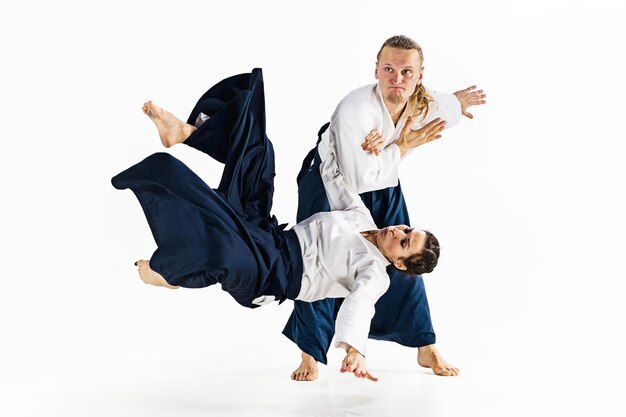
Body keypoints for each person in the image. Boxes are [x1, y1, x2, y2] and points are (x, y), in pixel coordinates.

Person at [111, 68, 445, 381]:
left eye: (403, 242)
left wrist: (355, 349)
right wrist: (335, 134)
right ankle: (187, 134)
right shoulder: (362, 219)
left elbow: (359, 306)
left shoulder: (374, 274)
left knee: (221, 247)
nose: (397, 232)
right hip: (269, 234)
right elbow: (334, 177)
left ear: (399, 262)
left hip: (268, 275)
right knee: (259, 157)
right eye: (406, 230)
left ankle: (170, 274)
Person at [284, 35, 487, 381]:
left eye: (407, 72)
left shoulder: (421, 102)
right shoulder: (355, 109)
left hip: (383, 176)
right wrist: (402, 145)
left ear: (419, 76)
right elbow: (356, 180)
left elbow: (443, 110)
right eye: (389, 70)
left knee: (406, 253)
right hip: (331, 179)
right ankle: (310, 353)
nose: (397, 79)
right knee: (317, 259)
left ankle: (425, 344)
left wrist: (456, 103)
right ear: (376, 70)